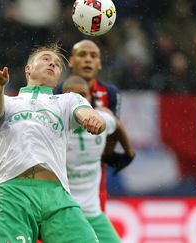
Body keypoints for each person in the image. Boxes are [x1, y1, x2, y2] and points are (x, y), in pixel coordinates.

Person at [0, 43, 108, 243]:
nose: (52, 64)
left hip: (57, 195)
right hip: (14, 193)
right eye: (46, 59)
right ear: (28, 69)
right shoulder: (7, 101)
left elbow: (90, 115)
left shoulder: (67, 101)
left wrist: (94, 120)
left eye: (57, 64)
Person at [68, 39, 135, 204]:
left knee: (96, 215)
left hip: (93, 172)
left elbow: (113, 132)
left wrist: (110, 153)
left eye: (93, 56)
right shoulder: (58, 91)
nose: (88, 59)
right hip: (63, 171)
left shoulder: (110, 93)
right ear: (71, 61)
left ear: (99, 64)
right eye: (82, 55)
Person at [62, 75, 121, 243]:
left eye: (83, 95)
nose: (78, 100)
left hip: (93, 213)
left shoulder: (103, 118)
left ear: (89, 97)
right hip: (64, 213)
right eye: (72, 96)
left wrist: (127, 151)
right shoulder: (55, 125)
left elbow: (117, 125)